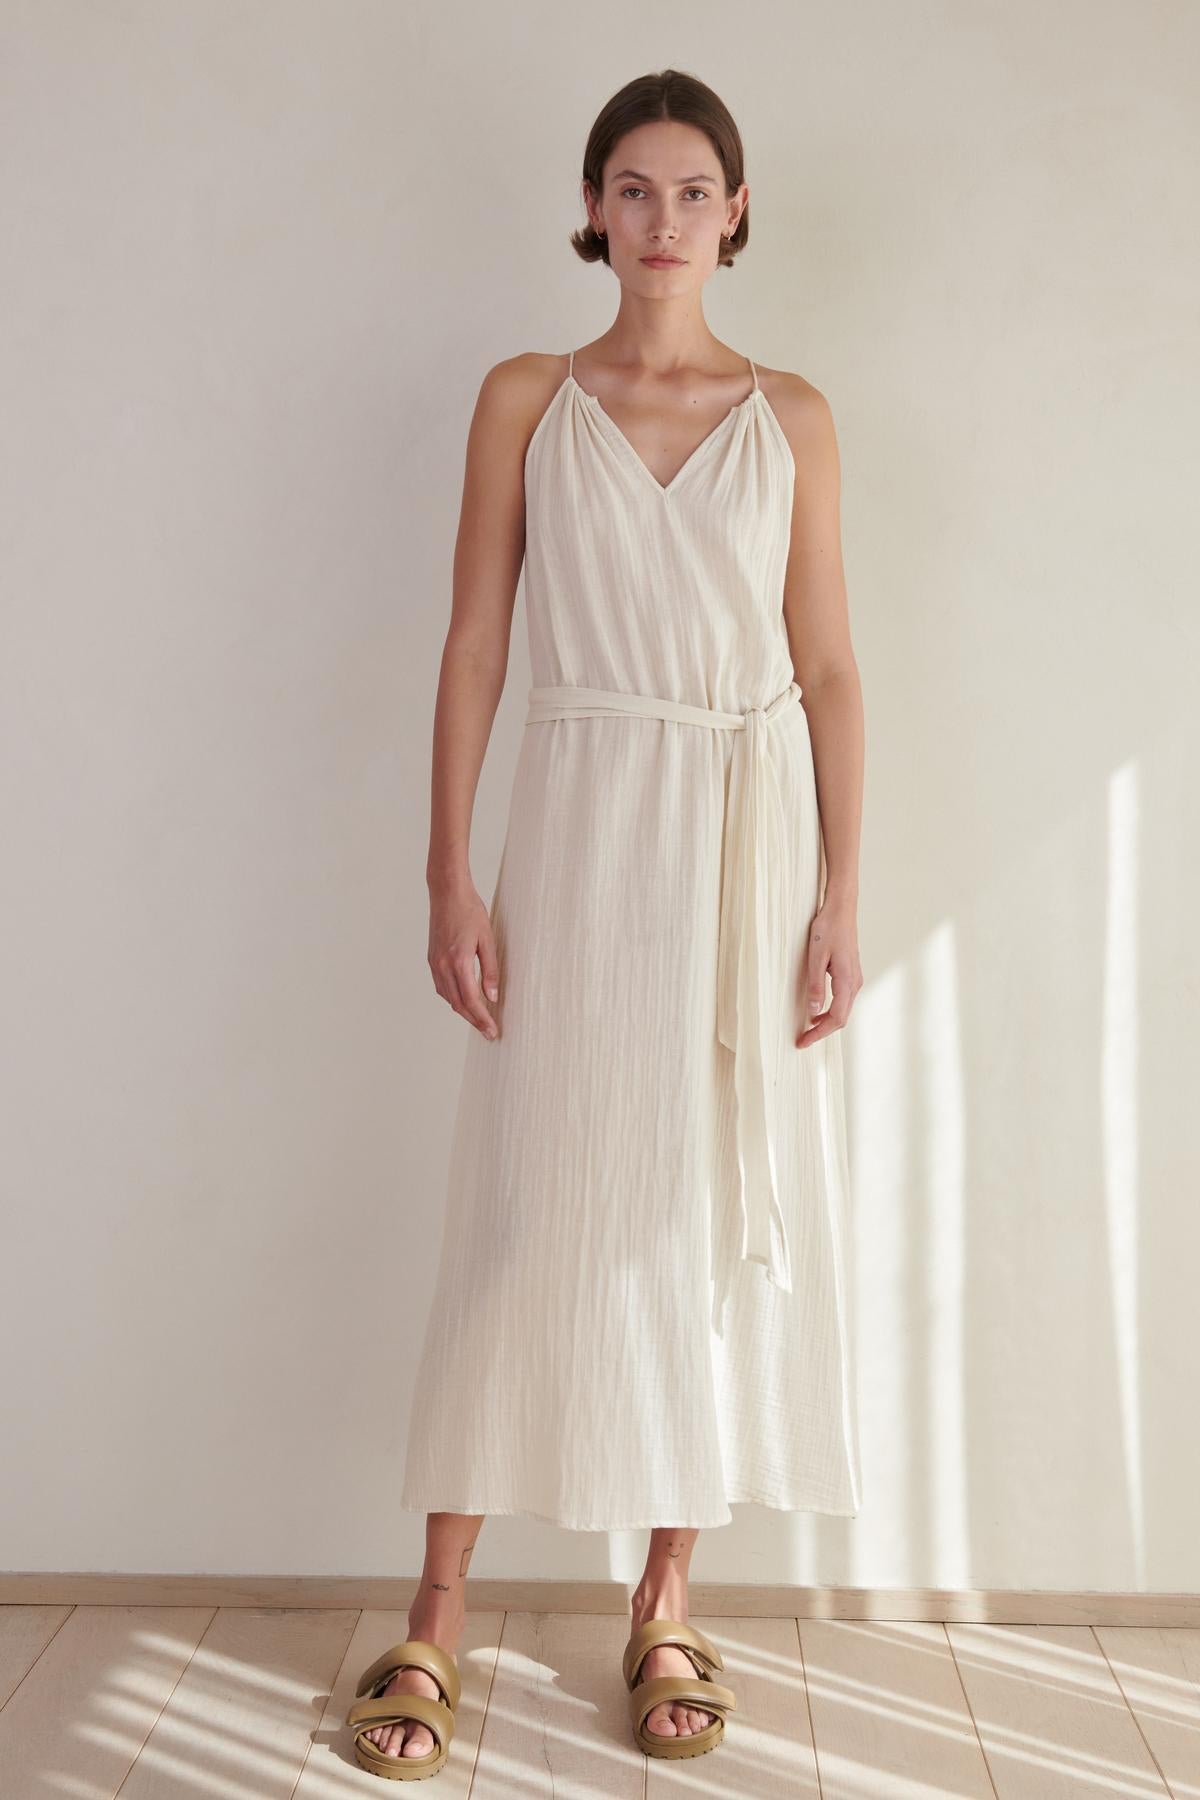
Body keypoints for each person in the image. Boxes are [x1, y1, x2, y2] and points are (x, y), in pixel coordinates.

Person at [349, 67, 865, 1780]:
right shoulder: (525, 396)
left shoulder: (793, 415)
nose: (661, 220)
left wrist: (840, 895)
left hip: (739, 837)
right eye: (630, 190)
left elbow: (834, 666)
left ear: (735, 211)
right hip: (576, 831)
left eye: (692, 188)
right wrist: (448, 866)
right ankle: (435, 1606)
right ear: (594, 211)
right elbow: (476, 644)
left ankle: (664, 1602)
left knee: (701, 1214)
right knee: (526, 1205)